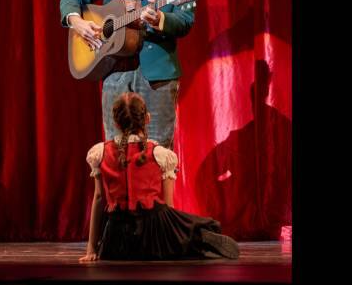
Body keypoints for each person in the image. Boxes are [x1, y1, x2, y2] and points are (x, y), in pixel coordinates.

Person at [60, 0, 195, 150]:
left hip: (157, 76)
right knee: (114, 152)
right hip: (114, 72)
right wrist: (77, 22)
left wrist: (160, 20)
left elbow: (185, 22)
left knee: (157, 153)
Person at [80, 92, 239, 262]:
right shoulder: (159, 154)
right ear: (147, 118)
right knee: (188, 226)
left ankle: (192, 242)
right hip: (153, 233)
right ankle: (196, 240)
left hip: (116, 240)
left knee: (173, 228)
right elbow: (168, 205)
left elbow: (98, 198)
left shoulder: (100, 152)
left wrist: (91, 247)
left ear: (116, 123)